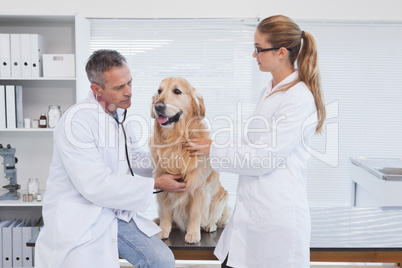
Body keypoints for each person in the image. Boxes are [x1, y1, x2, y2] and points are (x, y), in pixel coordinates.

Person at [185, 15, 326, 267]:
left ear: (281, 52)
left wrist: (214, 148)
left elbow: (263, 158)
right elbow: (252, 141)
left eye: (259, 49)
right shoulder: (271, 90)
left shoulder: (298, 98)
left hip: (274, 221)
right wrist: (211, 144)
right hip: (253, 217)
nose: (254, 55)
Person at [35, 49, 186, 268]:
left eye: (130, 83)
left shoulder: (119, 114)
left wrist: (168, 164)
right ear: (97, 90)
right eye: (119, 87)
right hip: (83, 215)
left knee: (161, 260)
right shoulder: (75, 123)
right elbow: (95, 184)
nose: (129, 92)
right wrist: (156, 183)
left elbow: (131, 158)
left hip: (115, 210)